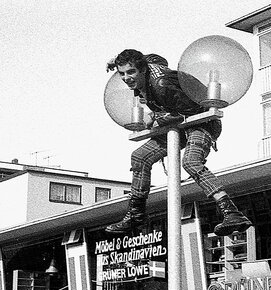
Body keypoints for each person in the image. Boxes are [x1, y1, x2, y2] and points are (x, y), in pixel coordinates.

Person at [104, 49, 251, 237]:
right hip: (179, 125)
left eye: (131, 72)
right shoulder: (147, 68)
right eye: (122, 73)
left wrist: (158, 117)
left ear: (142, 70)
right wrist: (115, 60)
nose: (126, 78)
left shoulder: (161, 84)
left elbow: (193, 109)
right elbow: (158, 58)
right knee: (140, 157)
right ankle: (135, 215)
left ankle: (231, 212)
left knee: (191, 162)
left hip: (201, 122)